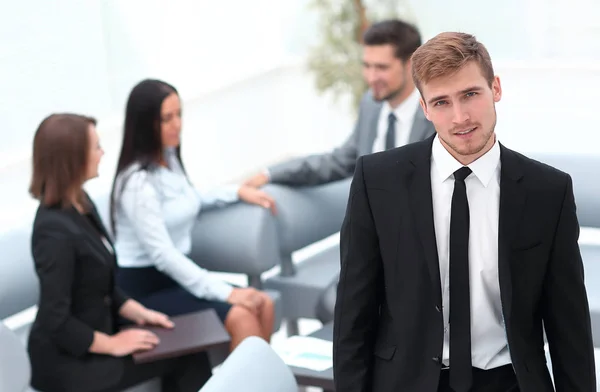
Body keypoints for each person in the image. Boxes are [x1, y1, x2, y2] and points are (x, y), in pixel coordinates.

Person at [333, 32, 595, 392]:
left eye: (470, 94)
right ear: (425, 109)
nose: (460, 117)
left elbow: (570, 328)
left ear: (496, 89)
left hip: (510, 381)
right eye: (441, 102)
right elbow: (353, 313)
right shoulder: (377, 181)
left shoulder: (547, 191)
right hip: (405, 382)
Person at [245, 19, 436, 324]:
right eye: (367, 66)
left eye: (381, 68)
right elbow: (340, 160)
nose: (371, 77)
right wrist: (270, 174)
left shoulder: (438, 113)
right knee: (332, 306)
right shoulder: (372, 107)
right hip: (373, 247)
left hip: (423, 252)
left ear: (412, 63)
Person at [27, 113, 212, 392]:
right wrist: (112, 344)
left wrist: (141, 313)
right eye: (96, 147)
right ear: (73, 158)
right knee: (187, 356)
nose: (102, 154)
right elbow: (56, 319)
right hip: (68, 362)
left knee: (189, 345)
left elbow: (100, 285)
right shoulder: (52, 231)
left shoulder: (81, 203)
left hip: (98, 334)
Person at [111, 79, 275, 352]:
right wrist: (227, 293)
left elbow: (189, 196)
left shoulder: (168, 158)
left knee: (264, 304)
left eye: (179, 115)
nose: (177, 124)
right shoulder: (137, 183)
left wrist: (237, 192)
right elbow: (163, 254)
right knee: (242, 315)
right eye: (167, 118)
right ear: (144, 124)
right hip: (144, 290)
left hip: (175, 278)